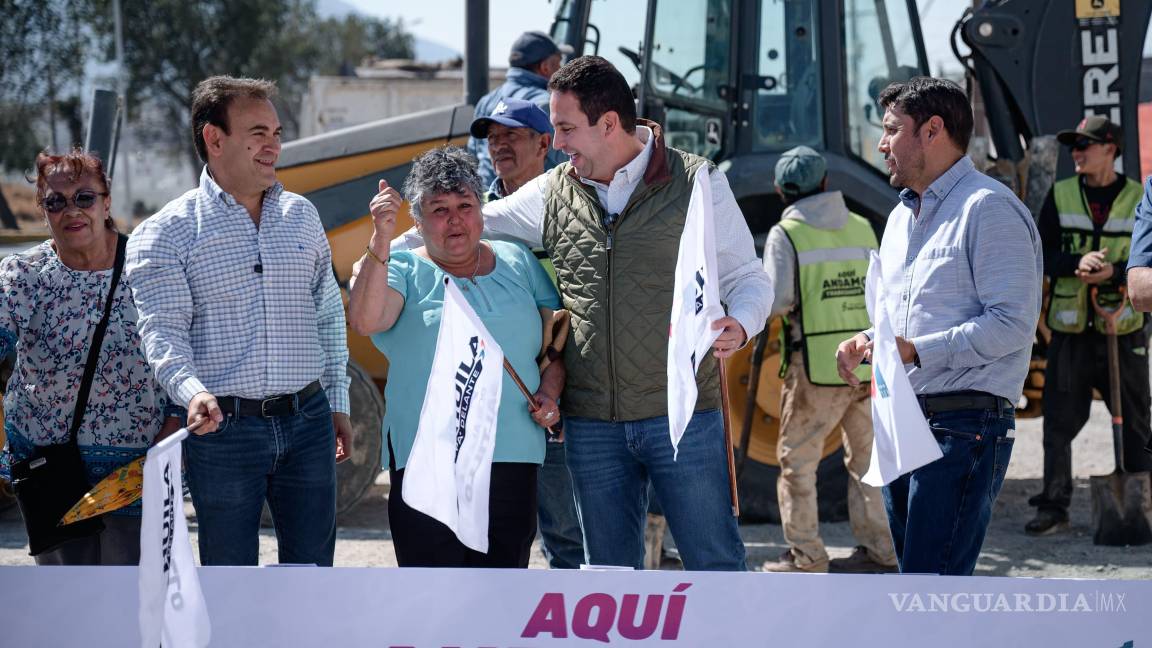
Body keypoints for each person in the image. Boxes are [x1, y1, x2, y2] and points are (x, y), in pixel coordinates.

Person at [420, 56, 771, 571]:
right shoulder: (555, 190)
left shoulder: (697, 182)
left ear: (609, 123)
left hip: (684, 418)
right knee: (607, 580)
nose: (557, 143)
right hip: (592, 429)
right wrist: (387, 246)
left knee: (715, 566)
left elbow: (748, 279)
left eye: (566, 128)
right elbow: (469, 226)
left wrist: (740, 323)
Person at [126, 76, 352, 567]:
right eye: (258, 132)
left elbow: (328, 315)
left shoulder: (303, 216)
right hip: (223, 432)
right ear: (214, 138)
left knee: (314, 578)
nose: (273, 145)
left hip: (310, 422)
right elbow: (162, 335)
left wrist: (337, 402)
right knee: (229, 583)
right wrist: (192, 393)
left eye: (276, 131)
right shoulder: (165, 234)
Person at [836, 77, 1042, 576]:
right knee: (918, 588)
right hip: (904, 421)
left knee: (934, 593)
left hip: (962, 426)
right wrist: (869, 339)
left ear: (932, 130)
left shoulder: (988, 208)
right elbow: (903, 320)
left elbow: (1012, 325)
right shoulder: (903, 218)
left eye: (890, 130)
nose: (881, 144)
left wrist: (915, 351)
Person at [347, 146, 563, 568]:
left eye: (465, 205)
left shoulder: (519, 261)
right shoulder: (401, 267)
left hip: (512, 456)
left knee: (502, 597)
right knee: (435, 604)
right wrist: (381, 235)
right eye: (438, 209)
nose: (455, 219)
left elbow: (554, 349)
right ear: (418, 219)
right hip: (429, 460)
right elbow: (365, 320)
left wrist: (551, 395)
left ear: (482, 211)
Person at [0, 150, 167, 565]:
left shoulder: (149, 268)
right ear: (42, 210)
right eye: (55, 201)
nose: (71, 211)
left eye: (84, 198)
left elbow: (183, 346)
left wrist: (176, 423)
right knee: (70, 608)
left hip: (134, 470)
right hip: (51, 471)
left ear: (107, 202)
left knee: (136, 605)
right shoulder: (24, 275)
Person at [759, 146, 897, 574]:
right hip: (866, 363)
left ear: (781, 190)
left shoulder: (787, 234)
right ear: (825, 183)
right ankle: (882, 550)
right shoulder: (862, 227)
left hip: (815, 367)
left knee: (798, 465)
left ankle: (806, 556)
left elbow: (779, 300)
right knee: (868, 463)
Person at [471, 99, 586, 569]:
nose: (499, 144)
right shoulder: (476, 216)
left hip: (562, 392)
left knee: (568, 531)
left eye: (511, 134)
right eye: (492, 136)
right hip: (497, 394)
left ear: (544, 143)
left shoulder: (573, 210)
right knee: (500, 532)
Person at [1028, 116, 1152, 534]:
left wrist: (1116, 272)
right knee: (1059, 421)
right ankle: (1053, 506)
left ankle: (1142, 502)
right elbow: (1040, 252)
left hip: (1125, 327)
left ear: (1111, 148)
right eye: (1074, 146)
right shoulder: (1062, 195)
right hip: (1072, 331)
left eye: (1087, 144)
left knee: (1136, 420)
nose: (1077, 152)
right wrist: (1075, 264)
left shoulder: (1139, 196)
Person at [466, 30, 570, 187]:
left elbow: (472, 158)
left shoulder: (485, 102)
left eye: (510, 134)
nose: (561, 69)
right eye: (558, 63)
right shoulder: (547, 104)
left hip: (486, 198)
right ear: (545, 67)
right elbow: (570, 161)